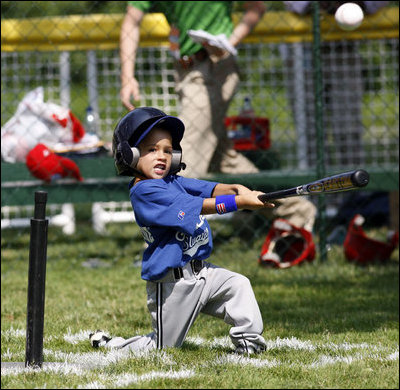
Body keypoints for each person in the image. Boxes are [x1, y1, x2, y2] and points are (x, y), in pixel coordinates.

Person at [89, 107, 274, 354]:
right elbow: (200, 206)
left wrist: (239, 190)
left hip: (202, 273)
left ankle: (248, 342)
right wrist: (239, 202)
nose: (162, 156)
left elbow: (209, 189)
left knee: (238, 285)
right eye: (152, 150)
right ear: (129, 154)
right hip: (172, 284)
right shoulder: (145, 192)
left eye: (167, 150)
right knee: (161, 348)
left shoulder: (173, 181)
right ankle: (113, 345)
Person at [120, 0, 317, 232]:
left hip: (215, 68)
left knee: (183, 156)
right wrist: (127, 77)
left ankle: (168, 239)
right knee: (223, 159)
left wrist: (229, 44)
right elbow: (132, 20)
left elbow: (257, 7)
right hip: (184, 70)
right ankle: (297, 209)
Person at [282, 1, 389, 168]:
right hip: (302, 49)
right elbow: (295, 6)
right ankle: (314, 191)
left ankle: (352, 188)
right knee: (310, 132)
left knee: (347, 128)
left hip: (344, 49)